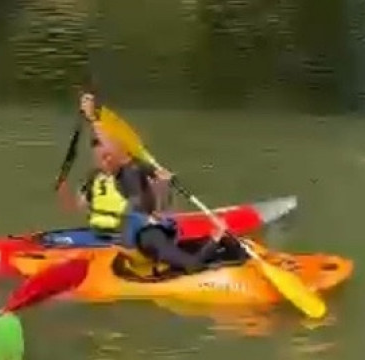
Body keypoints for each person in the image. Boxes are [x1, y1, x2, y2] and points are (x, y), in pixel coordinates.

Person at [45, 94, 243, 278]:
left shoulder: (133, 170)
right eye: (99, 155)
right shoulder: (95, 177)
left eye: (106, 154)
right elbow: (74, 208)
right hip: (110, 238)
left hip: (138, 237)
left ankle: (218, 245)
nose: (103, 159)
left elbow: (162, 206)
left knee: (182, 253)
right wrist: (63, 190)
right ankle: (216, 245)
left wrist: (93, 118)